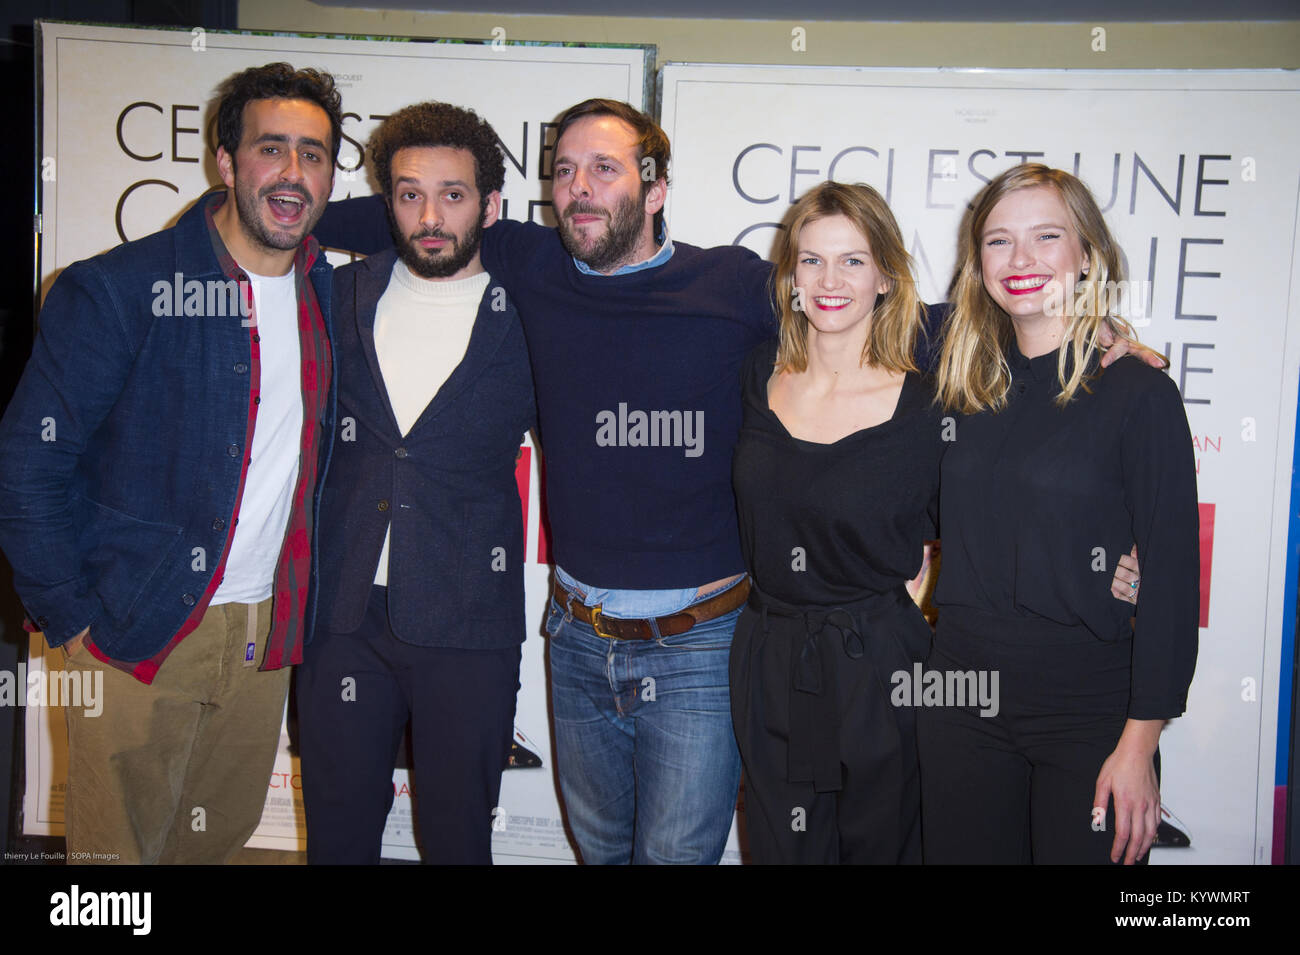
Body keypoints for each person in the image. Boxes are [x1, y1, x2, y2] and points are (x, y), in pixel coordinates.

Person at [315, 99, 774, 864]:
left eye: (604, 168)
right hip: (579, 633)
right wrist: (262, 212)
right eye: (564, 171)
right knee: (597, 847)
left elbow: (860, 315)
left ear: (656, 189)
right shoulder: (538, 265)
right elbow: (415, 217)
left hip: (700, 638)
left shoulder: (728, 282)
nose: (580, 188)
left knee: (672, 854)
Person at [0, 63, 343, 864]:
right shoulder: (120, 289)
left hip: (265, 636)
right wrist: (72, 619)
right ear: (226, 162)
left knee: (212, 846)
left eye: (315, 154)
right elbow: (25, 464)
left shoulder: (329, 293)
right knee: (113, 864)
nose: (294, 174)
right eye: (272, 149)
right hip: (134, 629)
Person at [920, 163, 1199, 864]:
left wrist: (1140, 744)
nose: (1021, 261)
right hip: (960, 696)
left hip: (1088, 708)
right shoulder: (959, 374)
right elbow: (854, 303)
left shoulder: (1137, 392)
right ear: (976, 260)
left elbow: (1170, 582)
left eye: (1047, 237)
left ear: (1088, 255)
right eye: (998, 241)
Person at [296, 102, 534, 864]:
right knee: (337, 835)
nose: (430, 215)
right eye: (408, 194)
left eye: (453, 194)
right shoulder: (337, 295)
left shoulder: (531, 314)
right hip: (343, 615)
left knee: (460, 840)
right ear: (384, 201)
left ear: (491, 206)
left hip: (469, 619)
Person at [730, 182, 942, 863]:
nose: (830, 280)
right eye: (812, 260)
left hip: (878, 663)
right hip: (770, 653)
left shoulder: (926, 398)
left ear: (885, 275)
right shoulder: (758, 373)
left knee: (883, 850)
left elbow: (1009, 490)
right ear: (790, 274)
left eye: (853, 261)